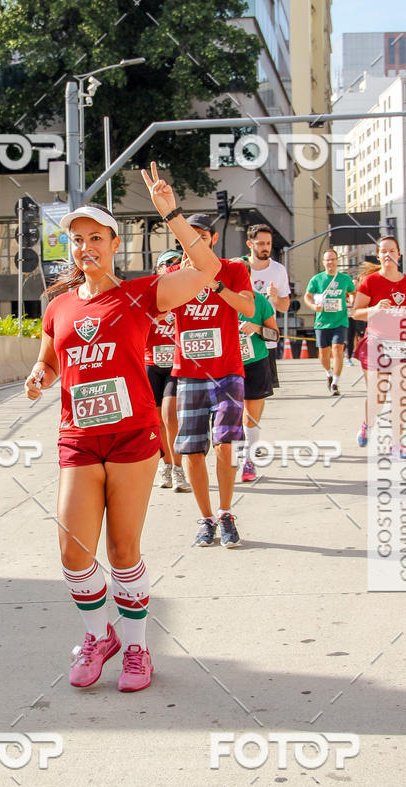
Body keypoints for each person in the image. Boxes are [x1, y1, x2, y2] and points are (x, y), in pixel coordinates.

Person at [24, 163, 221, 693]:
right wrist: (40, 375)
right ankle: (100, 634)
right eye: (78, 239)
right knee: (72, 551)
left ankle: (137, 650)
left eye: (96, 238)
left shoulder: (141, 294)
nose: (86, 246)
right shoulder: (58, 305)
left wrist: (172, 214)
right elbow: (51, 358)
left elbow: (207, 270)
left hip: (134, 437)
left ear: (114, 244)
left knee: (122, 551)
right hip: (79, 438)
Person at [171, 213, 255, 547]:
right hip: (188, 373)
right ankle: (205, 519)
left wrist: (216, 286)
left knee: (225, 445)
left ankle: (225, 513)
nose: (195, 242)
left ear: (213, 239)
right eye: (189, 236)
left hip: (227, 372)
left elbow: (248, 308)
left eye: (201, 236)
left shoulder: (234, 269)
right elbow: (156, 311)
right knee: (192, 451)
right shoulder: (173, 274)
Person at [351, 235, 406, 456]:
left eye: (391, 250)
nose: (387, 254)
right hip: (378, 343)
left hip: (403, 344)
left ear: (399, 254)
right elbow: (356, 313)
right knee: (378, 396)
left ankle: (397, 445)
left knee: (400, 396)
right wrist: (375, 309)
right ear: (378, 255)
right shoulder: (371, 282)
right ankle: (367, 424)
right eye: (383, 251)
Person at [145, 249, 191, 491]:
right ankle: (165, 464)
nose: (172, 267)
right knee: (157, 421)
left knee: (171, 416)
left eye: (176, 263)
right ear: (159, 270)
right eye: (167, 264)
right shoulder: (149, 297)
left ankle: (179, 468)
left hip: (176, 365)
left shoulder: (187, 294)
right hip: (152, 364)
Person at [234, 224, 290, 388]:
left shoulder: (279, 270)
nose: (266, 248)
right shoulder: (238, 267)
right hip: (238, 339)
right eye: (260, 243)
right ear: (250, 244)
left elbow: (284, 306)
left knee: (261, 392)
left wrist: (275, 298)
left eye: (268, 243)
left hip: (265, 337)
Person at [238, 286, 280, 482]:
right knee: (231, 414)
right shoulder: (218, 300)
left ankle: (249, 460)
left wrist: (256, 328)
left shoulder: (260, 301)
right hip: (227, 366)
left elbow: (275, 335)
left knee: (251, 416)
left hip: (255, 363)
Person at [304, 249, 356, 396]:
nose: (330, 263)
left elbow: (353, 292)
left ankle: (335, 383)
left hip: (340, 320)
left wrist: (351, 302)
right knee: (323, 353)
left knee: (338, 348)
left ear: (337, 261)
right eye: (327, 260)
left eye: (333, 259)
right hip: (322, 321)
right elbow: (307, 296)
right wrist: (313, 306)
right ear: (323, 262)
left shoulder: (345, 279)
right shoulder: (316, 279)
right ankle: (329, 373)